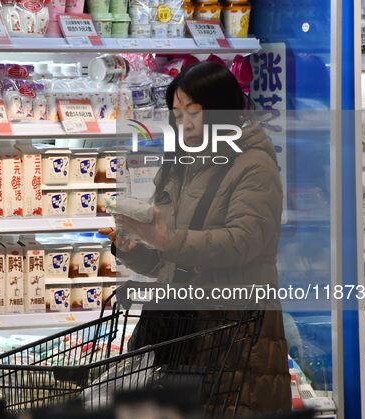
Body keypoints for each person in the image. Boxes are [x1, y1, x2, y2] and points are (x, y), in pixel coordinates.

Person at [99, 61, 292, 416]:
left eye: (195, 112)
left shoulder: (254, 165)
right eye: (177, 113)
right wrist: (134, 247)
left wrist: (166, 238)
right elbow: (168, 256)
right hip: (185, 330)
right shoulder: (180, 165)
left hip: (236, 332)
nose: (184, 124)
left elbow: (242, 241)